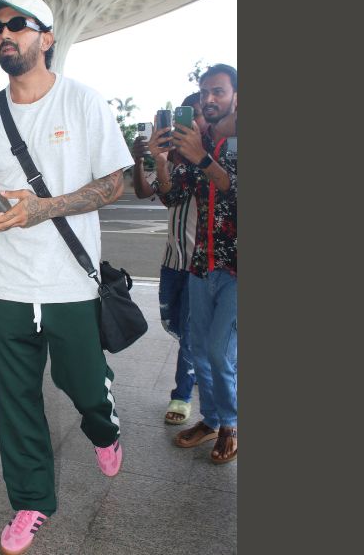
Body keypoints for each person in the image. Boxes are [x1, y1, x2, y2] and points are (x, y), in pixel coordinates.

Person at [0, 0, 132, 555]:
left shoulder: (83, 102)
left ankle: (103, 428)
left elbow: (114, 183)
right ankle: (31, 502)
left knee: (84, 385)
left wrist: (42, 208)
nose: (4, 34)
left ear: (47, 38)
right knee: (16, 400)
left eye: (18, 25)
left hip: (69, 282)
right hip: (5, 285)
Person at [148, 64, 238, 464]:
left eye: (218, 91)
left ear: (236, 97)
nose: (209, 99)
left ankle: (231, 425)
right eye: (204, 93)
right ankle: (212, 420)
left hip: (237, 268)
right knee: (199, 348)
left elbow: (233, 187)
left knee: (219, 351)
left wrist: (201, 157)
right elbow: (171, 196)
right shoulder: (199, 144)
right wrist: (161, 160)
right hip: (202, 264)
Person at [131, 92, 208, 425]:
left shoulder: (211, 161)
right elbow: (146, 192)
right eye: (182, 119)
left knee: (189, 332)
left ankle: (182, 394)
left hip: (201, 264)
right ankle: (201, 367)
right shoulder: (172, 162)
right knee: (175, 325)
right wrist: (143, 160)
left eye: (196, 116)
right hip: (172, 261)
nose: (188, 124)